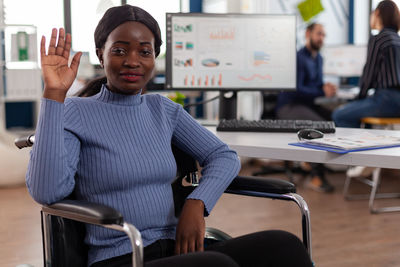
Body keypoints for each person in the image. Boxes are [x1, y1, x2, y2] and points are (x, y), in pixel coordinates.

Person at [25, 5, 313, 267]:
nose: (133, 61)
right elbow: (47, 192)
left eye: (145, 51)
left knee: (284, 246)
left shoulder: (163, 109)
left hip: (179, 248)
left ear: (154, 58)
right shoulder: (74, 110)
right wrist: (54, 95)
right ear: (101, 54)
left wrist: (197, 203)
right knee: (215, 265)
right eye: (120, 50)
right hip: (123, 256)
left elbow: (223, 156)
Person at [275, 22, 337, 193]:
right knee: (318, 125)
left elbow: (316, 86)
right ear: (308, 33)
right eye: (319, 34)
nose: (321, 38)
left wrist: (326, 89)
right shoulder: (298, 58)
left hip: (306, 104)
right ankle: (316, 176)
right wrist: (320, 90)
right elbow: (296, 90)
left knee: (335, 117)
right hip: (289, 105)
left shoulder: (319, 58)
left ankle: (312, 162)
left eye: (324, 35)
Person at [332, 0, 400, 128]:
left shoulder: (378, 39)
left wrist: (358, 98)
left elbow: (369, 75)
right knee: (363, 117)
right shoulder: (398, 40)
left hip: (385, 100)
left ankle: (354, 146)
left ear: (377, 14)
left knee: (339, 114)